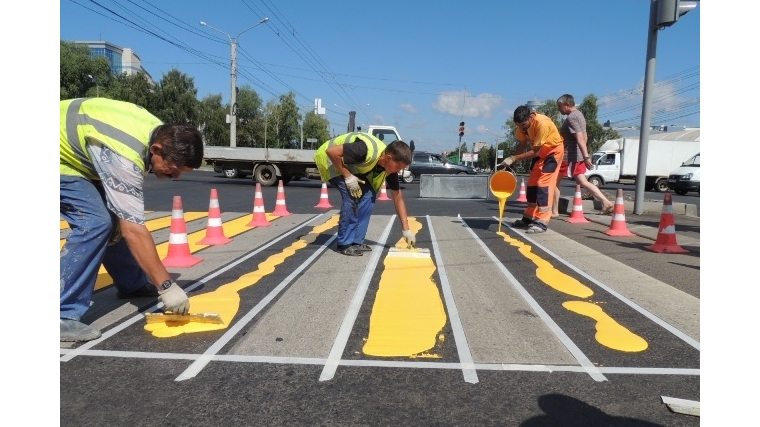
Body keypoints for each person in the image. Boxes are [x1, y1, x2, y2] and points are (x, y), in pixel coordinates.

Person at [60, 98, 204, 342]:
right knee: (95, 223)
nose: (175, 176)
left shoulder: (161, 133)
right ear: (156, 150)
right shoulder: (124, 154)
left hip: (79, 153)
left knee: (114, 218)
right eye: (173, 168)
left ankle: (132, 283)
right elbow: (133, 230)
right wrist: (167, 286)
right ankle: (60, 314)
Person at [314, 132, 416, 256]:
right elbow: (331, 151)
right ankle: (344, 244)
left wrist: (406, 229)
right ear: (388, 158)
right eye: (398, 167)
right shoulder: (365, 150)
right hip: (331, 161)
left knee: (368, 195)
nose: (398, 171)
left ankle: (356, 241)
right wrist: (347, 176)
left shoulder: (389, 166)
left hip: (347, 165)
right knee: (352, 196)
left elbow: (397, 197)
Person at [498, 105, 564, 233]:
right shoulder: (521, 128)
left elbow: (535, 150)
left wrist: (514, 158)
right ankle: (529, 217)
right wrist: (511, 163)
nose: (522, 128)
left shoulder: (542, 124)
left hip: (553, 152)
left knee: (543, 184)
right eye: (519, 125)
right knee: (532, 184)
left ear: (531, 117)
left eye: (524, 124)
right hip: (540, 154)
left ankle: (542, 221)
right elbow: (522, 144)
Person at [552, 94, 614, 216]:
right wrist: (584, 155)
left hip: (569, 156)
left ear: (567, 104)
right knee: (583, 181)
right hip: (577, 155)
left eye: (560, 106)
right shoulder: (579, 115)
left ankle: (554, 211)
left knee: (554, 182)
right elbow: (585, 136)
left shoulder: (571, 118)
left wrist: (586, 156)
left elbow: (580, 137)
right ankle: (605, 202)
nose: (559, 109)